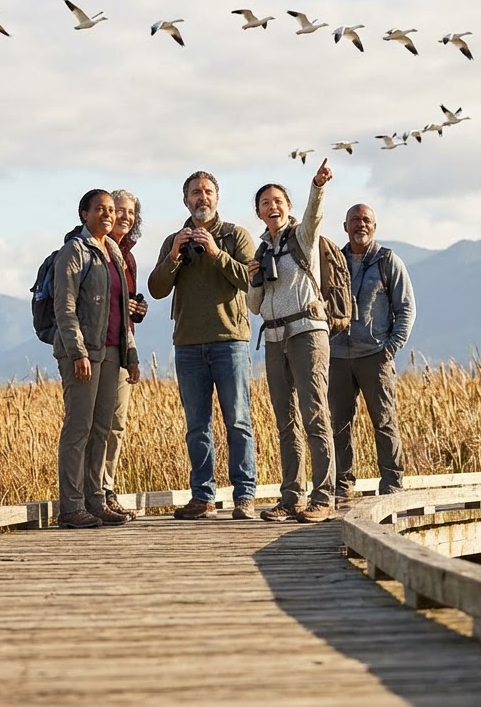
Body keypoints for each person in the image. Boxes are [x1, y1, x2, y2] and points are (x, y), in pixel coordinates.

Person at [147, 171, 258, 520]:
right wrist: (175, 255)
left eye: (208, 192)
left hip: (230, 342)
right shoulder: (173, 240)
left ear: (217, 198)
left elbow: (248, 280)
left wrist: (213, 252)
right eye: (195, 193)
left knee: (238, 421)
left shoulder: (235, 235)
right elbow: (156, 288)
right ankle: (203, 496)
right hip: (189, 344)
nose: (202, 197)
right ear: (186, 200)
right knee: (197, 425)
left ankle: (244, 496)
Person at [246, 159, 338, 523]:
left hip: (307, 332)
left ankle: (323, 495)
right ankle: (291, 496)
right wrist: (253, 279)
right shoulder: (259, 253)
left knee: (314, 414)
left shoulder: (302, 238)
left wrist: (317, 187)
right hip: (272, 336)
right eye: (265, 202)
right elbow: (254, 307)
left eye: (278, 200)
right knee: (285, 420)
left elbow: (314, 217)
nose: (272, 206)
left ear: (288, 206)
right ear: (258, 212)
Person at [51, 189, 142, 528]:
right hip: (84, 353)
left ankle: (96, 500)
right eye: (99, 209)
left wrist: (130, 355)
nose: (107, 214)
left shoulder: (114, 251)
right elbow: (66, 306)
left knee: (102, 428)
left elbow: (121, 309)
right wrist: (78, 352)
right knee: (79, 428)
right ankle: (71, 506)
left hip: (112, 352)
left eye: (109, 209)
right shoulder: (74, 251)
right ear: (84, 215)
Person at [329, 203, 415, 499]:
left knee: (384, 420)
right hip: (336, 356)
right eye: (355, 220)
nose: (360, 225)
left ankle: (391, 483)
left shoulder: (387, 261)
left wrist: (390, 348)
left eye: (366, 220)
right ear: (345, 226)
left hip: (375, 354)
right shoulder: (333, 262)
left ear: (374, 227)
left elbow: (406, 308)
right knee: (338, 423)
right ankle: (342, 484)